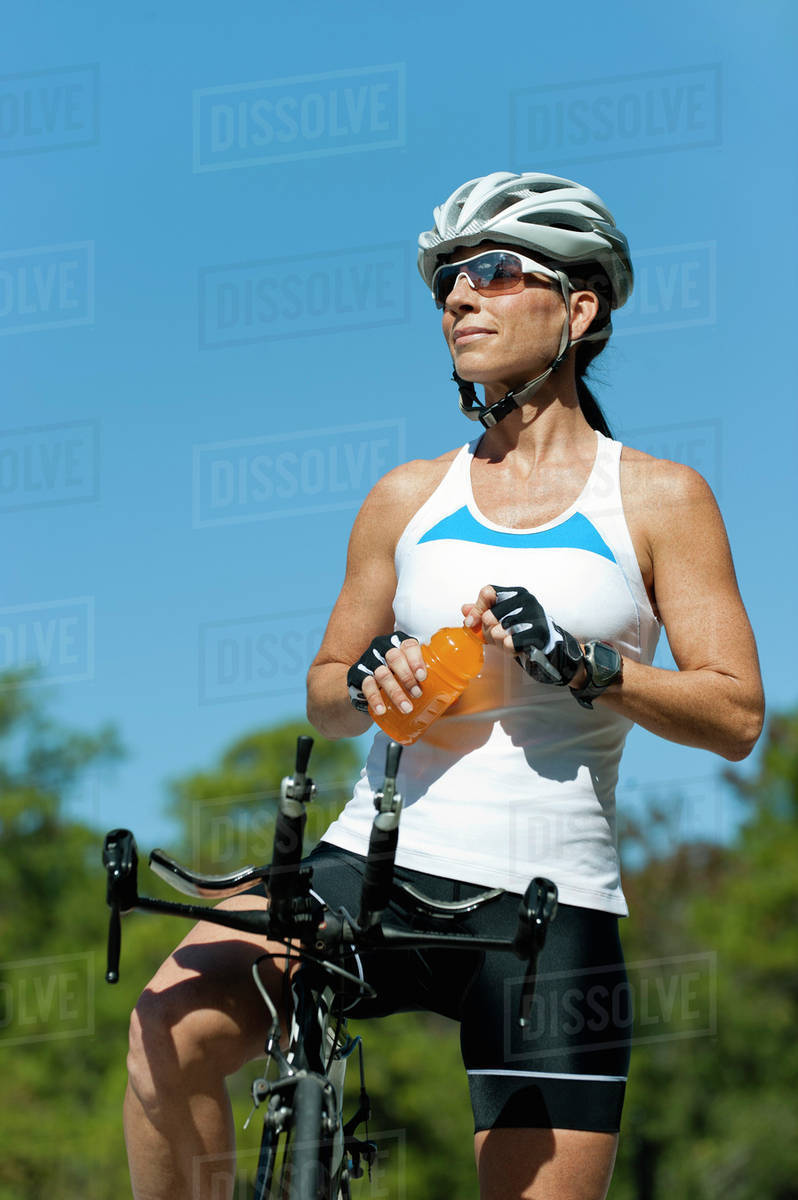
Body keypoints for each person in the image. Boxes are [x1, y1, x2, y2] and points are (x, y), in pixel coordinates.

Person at [124, 172, 765, 1200]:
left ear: (579, 309)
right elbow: (324, 691)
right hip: (372, 864)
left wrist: (589, 664)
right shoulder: (408, 496)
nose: (460, 297)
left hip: (547, 904)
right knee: (168, 1028)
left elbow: (735, 714)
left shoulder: (658, 497)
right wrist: (371, 676)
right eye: (446, 284)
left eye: (495, 272)